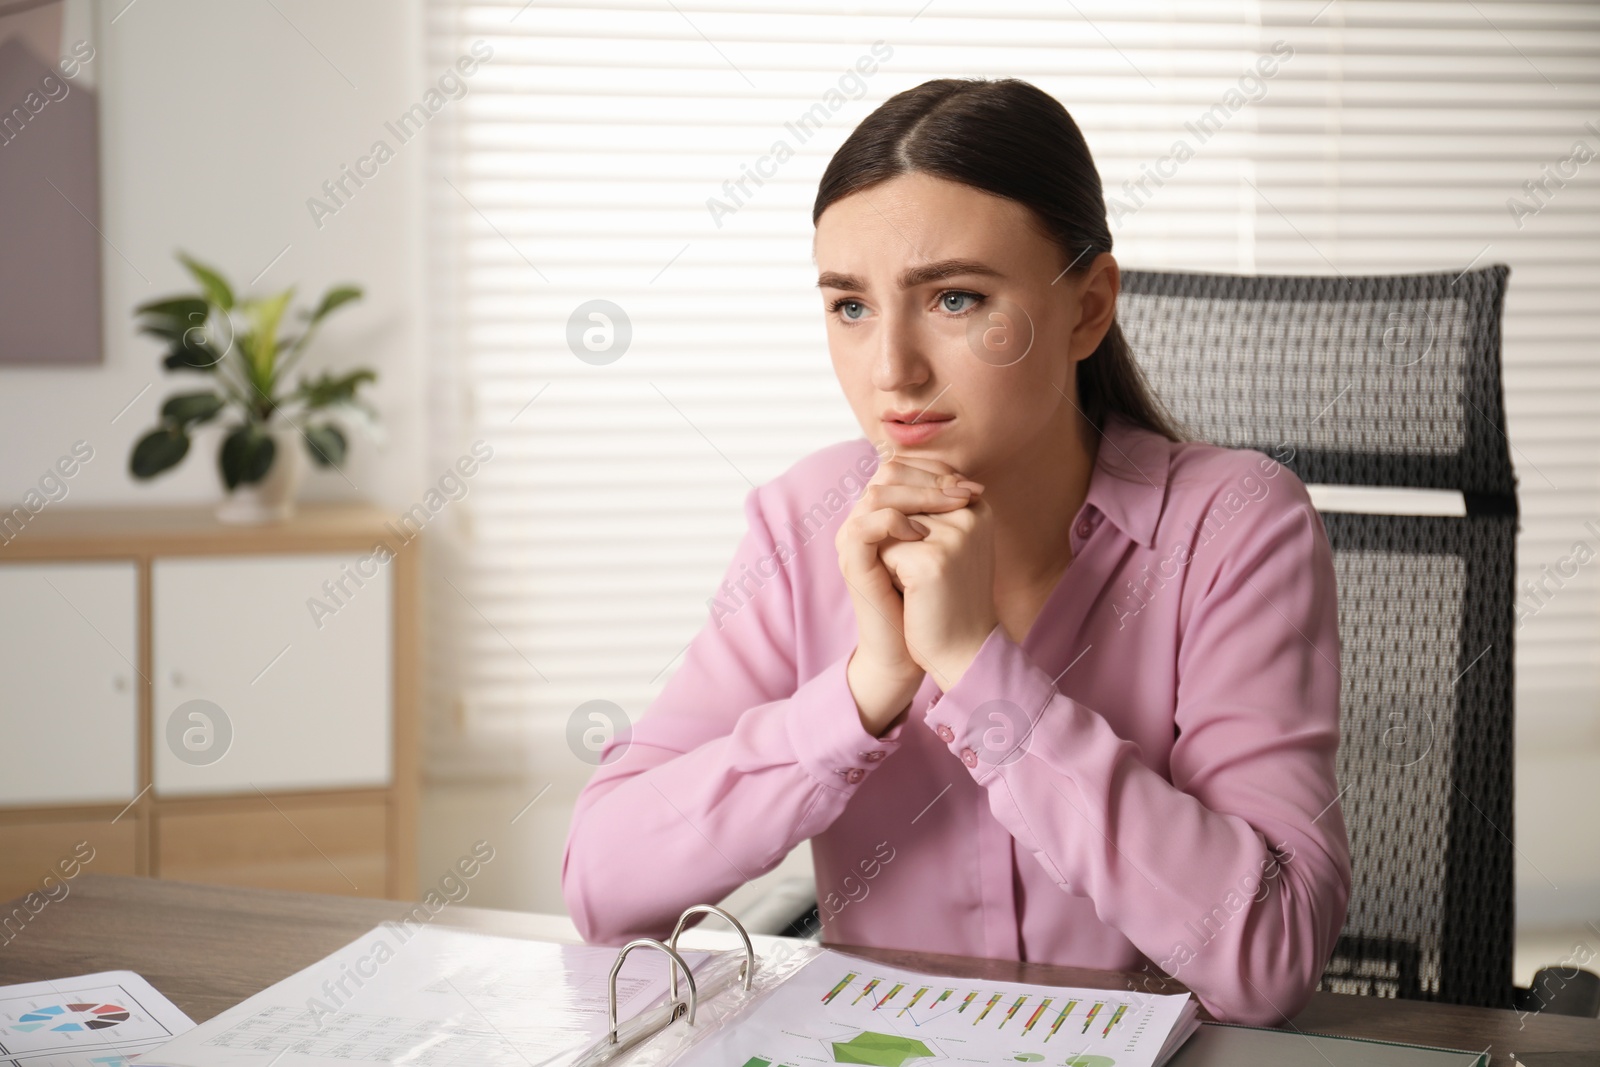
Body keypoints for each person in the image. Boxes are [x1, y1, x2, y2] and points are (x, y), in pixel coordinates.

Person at [561, 76, 1350, 1026]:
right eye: (850, 306)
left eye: (955, 298)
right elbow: (603, 882)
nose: (892, 367)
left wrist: (982, 676)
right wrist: (865, 687)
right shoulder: (807, 519)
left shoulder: (1232, 525)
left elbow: (1268, 959)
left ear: (1088, 307)